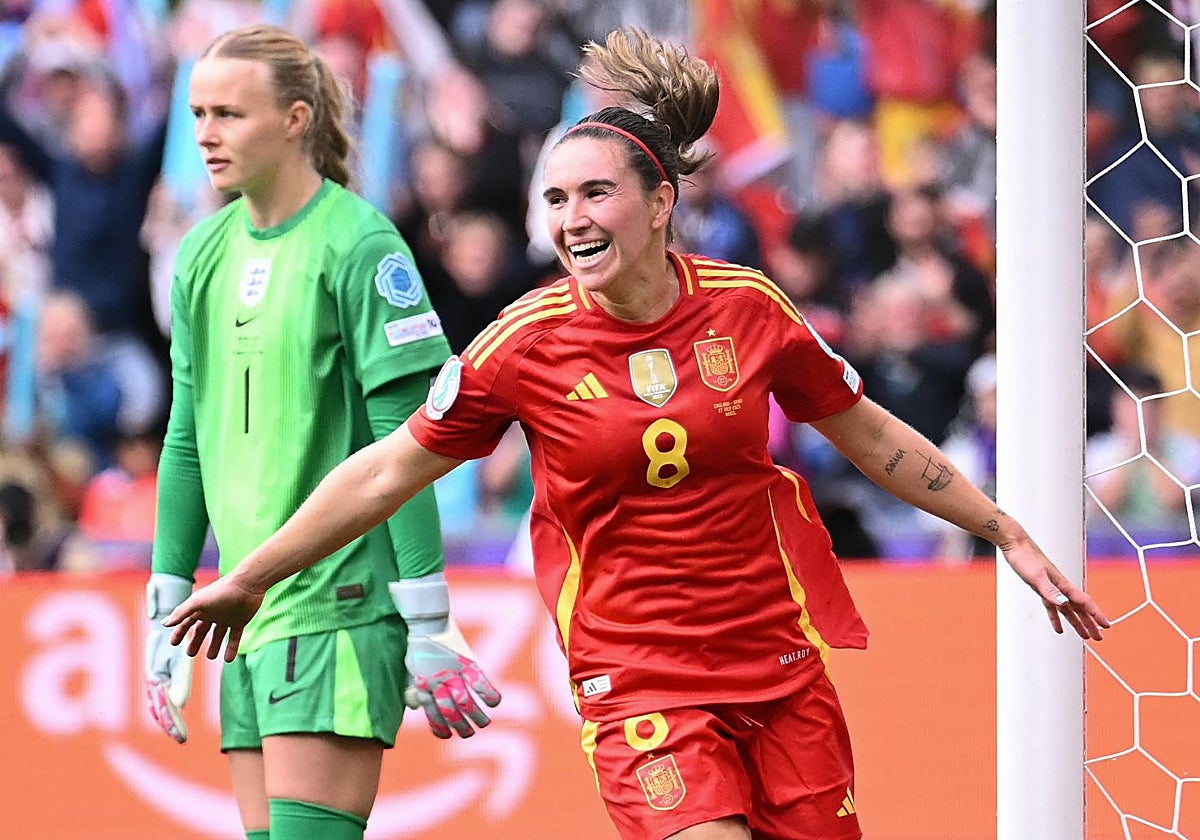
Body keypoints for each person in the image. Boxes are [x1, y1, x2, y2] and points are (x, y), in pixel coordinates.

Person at [161, 27, 1110, 840]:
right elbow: (386, 472)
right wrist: (247, 577)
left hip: (778, 665)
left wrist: (1006, 531)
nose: (571, 220)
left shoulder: (748, 309)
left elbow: (871, 436)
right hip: (640, 681)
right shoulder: (523, 343)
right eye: (556, 201)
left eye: (594, 195)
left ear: (661, 203)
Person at [141, 24, 500, 840]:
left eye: (229, 113)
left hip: (339, 604)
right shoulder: (201, 251)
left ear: (297, 118)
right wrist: (163, 601)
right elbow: (187, 438)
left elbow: (408, 447)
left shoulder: (362, 244)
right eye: (197, 113)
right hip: (240, 611)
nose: (204, 134)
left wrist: (429, 617)